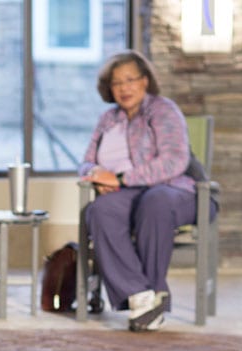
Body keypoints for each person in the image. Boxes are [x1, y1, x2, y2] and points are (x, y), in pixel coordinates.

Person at [78, 51, 212, 332]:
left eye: (130, 80)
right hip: (128, 193)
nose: (124, 88)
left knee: (155, 202)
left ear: (145, 81)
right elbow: (86, 161)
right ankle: (142, 296)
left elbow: (174, 161)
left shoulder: (163, 110)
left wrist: (120, 179)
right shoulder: (108, 119)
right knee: (100, 210)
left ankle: (153, 291)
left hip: (178, 190)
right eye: (117, 83)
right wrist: (96, 174)